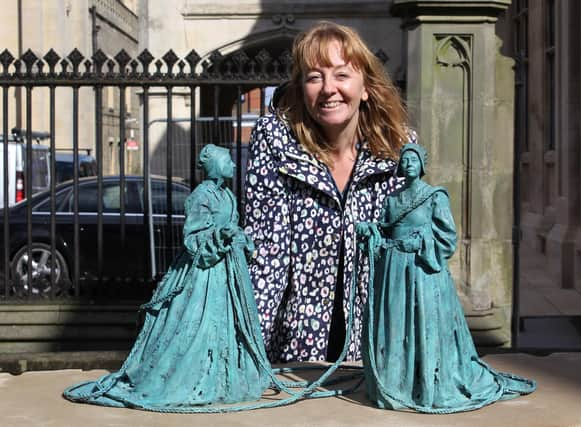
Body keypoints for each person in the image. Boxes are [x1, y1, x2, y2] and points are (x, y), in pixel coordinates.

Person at [244, 21, 413, 362]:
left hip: (375, 344)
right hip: (295, 351)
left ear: (366, 87)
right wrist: (249, 354)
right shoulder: (275, 143)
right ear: (302, 88)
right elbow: (266, 256)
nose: (327, 89)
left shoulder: (399, 151)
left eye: (341, 75)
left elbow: (405, 259)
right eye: (314, 76)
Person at [64, 144, 271, 410]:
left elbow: (233, 226)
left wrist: (242, 240)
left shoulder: (228, 195)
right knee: (194, 327)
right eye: (228, 160)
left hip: (229, 272)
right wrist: (220, 238)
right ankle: (194, 376)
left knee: (230, 326)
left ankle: (224, 377)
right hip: (203, 275)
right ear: (216, 166)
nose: (233, 165)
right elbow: (194, 239)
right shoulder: (200, 197)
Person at [357, 144, 536, 413]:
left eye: (413, 160)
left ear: (422, 165)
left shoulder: (434, 197)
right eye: (404, 160)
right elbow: (384, 233)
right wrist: (370, 231)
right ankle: (397, 383)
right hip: (394, 274)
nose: (408, 165)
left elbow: (446, 237)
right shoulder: (392, 200)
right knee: (395, 326)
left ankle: (427, 383)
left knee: (423, 325)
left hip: (422, 273)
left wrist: (420, 242)